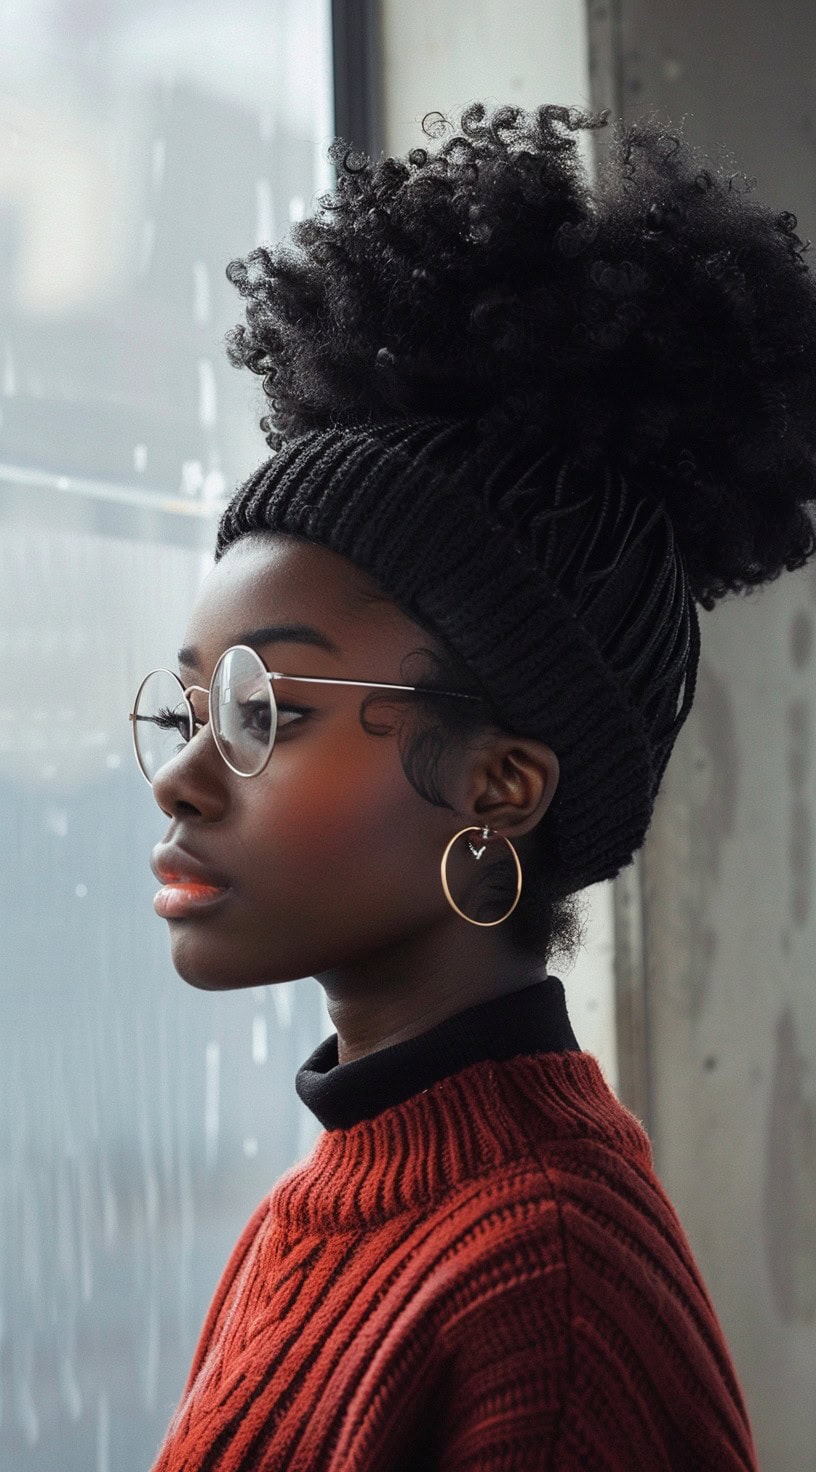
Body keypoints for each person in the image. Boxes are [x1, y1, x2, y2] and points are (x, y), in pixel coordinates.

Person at [139, 100, 816, 1470]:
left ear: (502, 785)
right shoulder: (322, 1208)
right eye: (193, 707)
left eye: (268, 710)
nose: (185, 783)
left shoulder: (547, 1292)